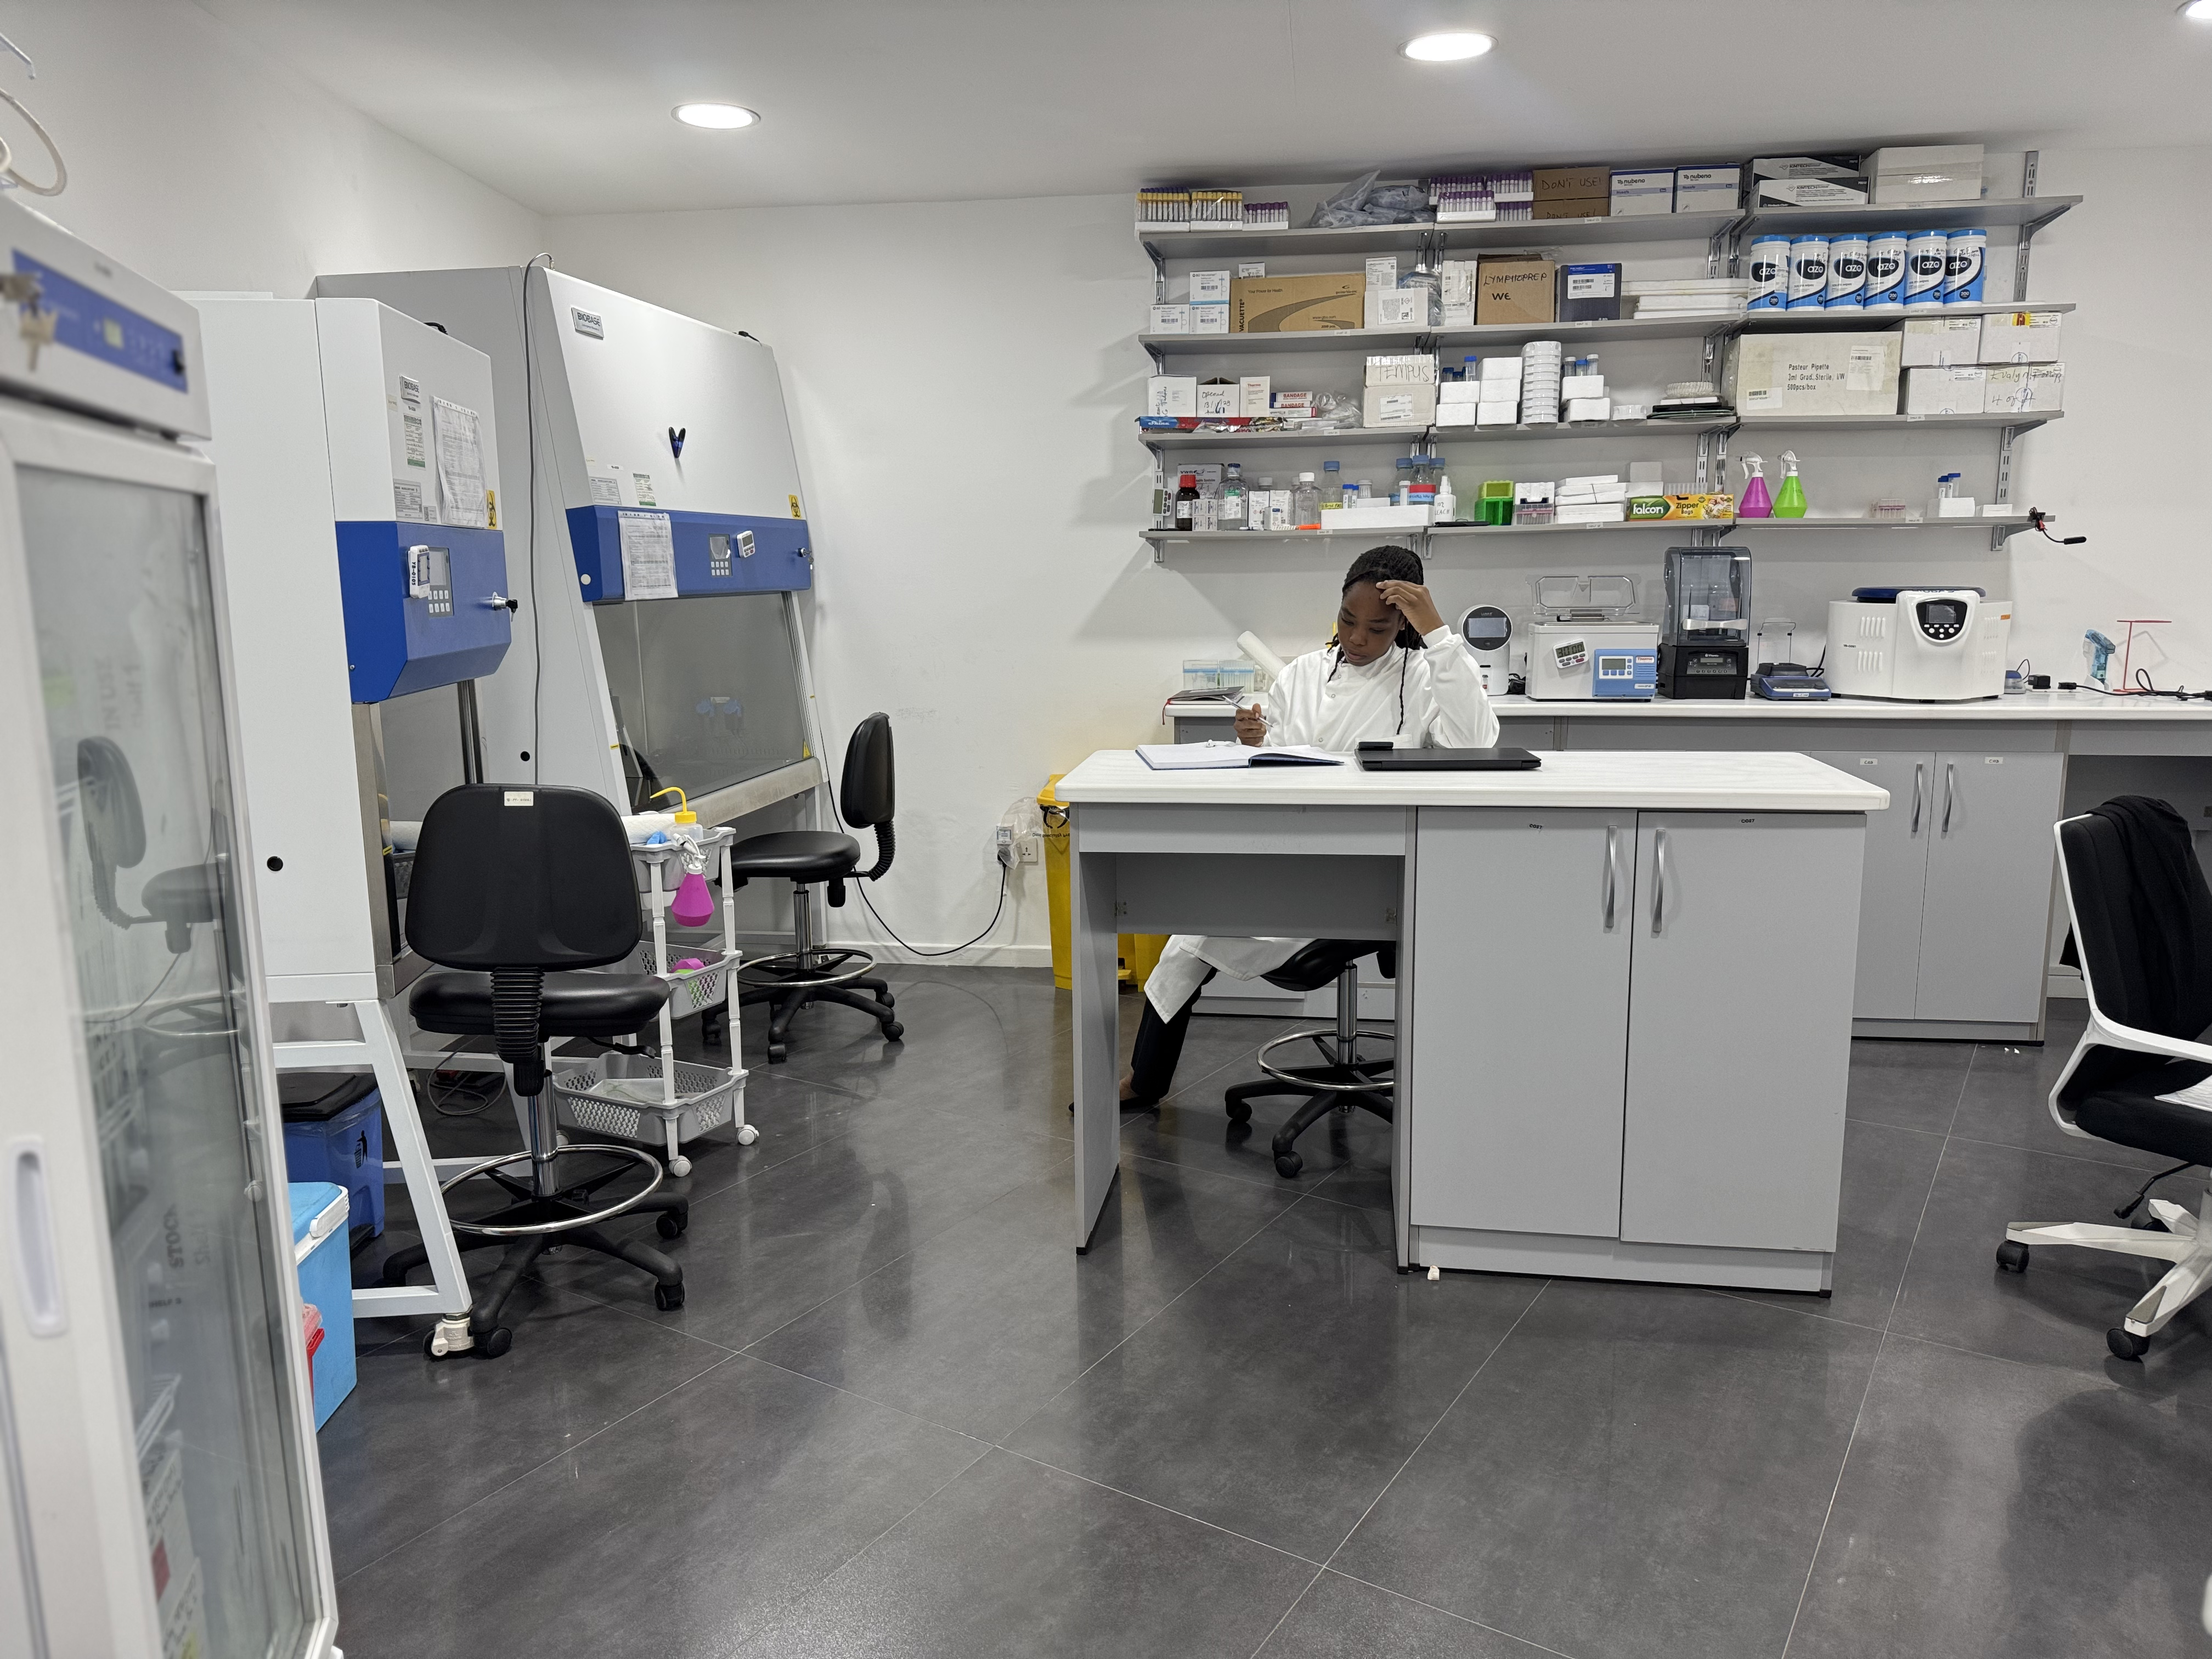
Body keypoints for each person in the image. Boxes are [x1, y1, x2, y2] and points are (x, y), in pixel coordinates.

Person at [1123, 544, 1497, 1107]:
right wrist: (1253, 739)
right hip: (1291, 856)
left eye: (1377, 627)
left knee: (1194, 938)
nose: (1358, 638)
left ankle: (1146, 1081)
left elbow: (1475, 743)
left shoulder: (1425, 676)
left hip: (1370, 874)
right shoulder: (1302, 674)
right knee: (1186, 934)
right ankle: (1145, 1082)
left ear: (1405, 623)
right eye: (1348, 621)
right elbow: (1272, 757)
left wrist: (1440, 635)